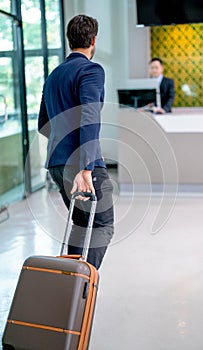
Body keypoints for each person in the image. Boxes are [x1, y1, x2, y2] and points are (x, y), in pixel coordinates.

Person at [38, 14, 114, 270]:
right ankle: (81, 287)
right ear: (93, 40)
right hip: (82, 164)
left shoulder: (54, 75)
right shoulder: (91, 70)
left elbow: (43, 124)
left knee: (82, 224)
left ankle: (69, 288)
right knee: (102, 224)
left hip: (56, 163)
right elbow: (90, 118)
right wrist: (85, 167)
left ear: (71, 40)